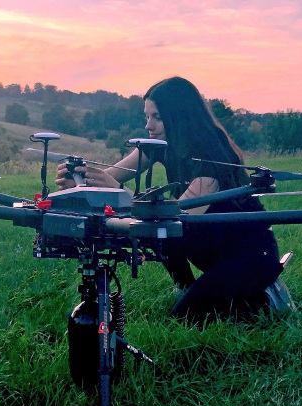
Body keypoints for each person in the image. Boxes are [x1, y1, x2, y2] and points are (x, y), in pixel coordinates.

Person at [55, 76, 286, 326]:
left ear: (179, 117)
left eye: (157, 117)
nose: (148, 125)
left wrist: (118, 190)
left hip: (248, 256)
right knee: (163, 237)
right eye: (147, 116)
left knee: (185, 317)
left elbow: (178, 215)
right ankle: (188, 289)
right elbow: (110, 175)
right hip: (211, 247)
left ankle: (264, 296)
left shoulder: (210, 155)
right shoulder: (160, 143)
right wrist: (79, 179)